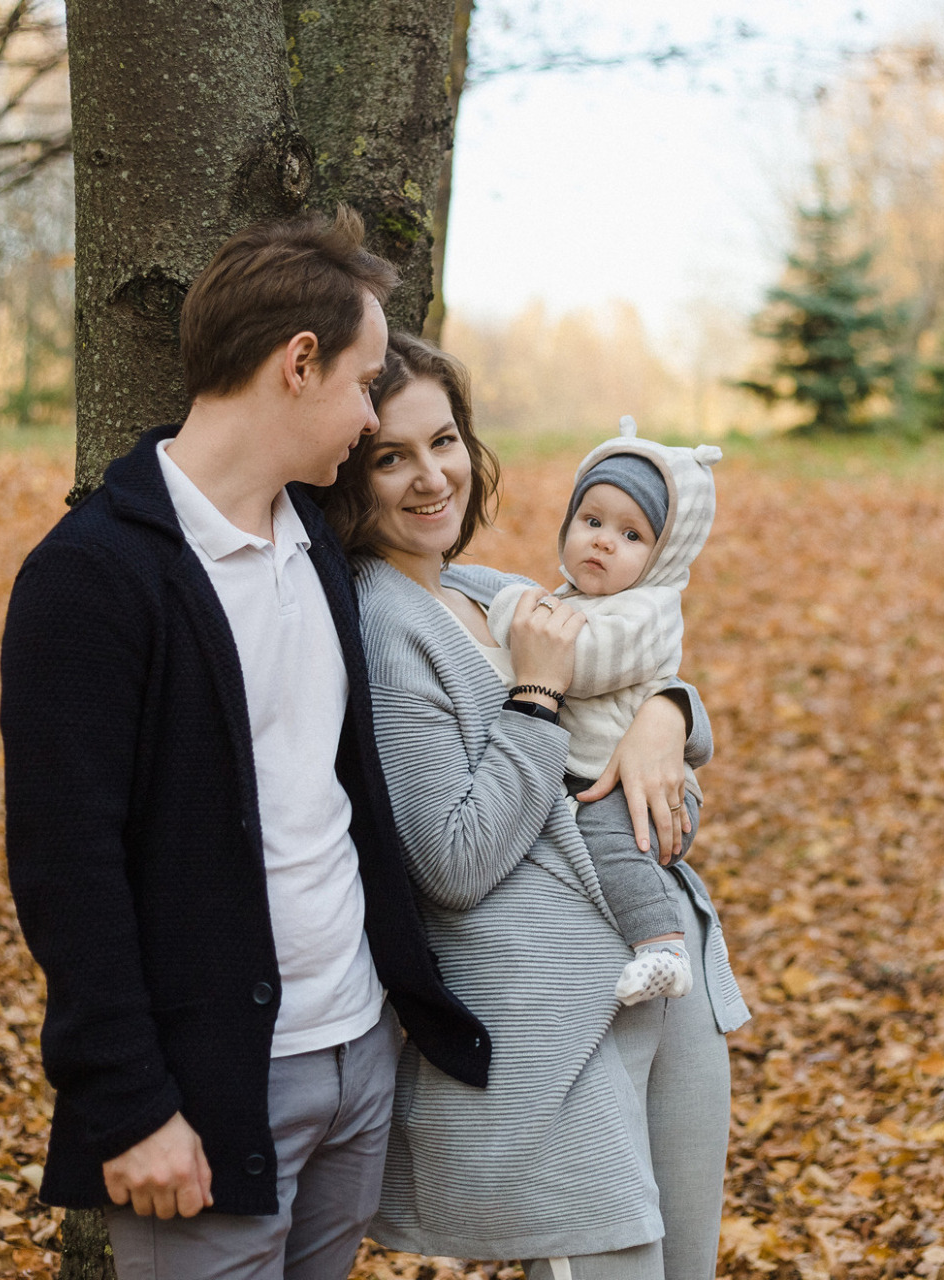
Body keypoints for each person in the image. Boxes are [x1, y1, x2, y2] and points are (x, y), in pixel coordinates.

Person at [0, 209, 488, 1280]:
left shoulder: (315, 537)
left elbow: (469, 602)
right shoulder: (91, 579)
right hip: (212, 1082)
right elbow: (63, 864)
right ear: (297, 363)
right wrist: (128, 1104)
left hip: (358, 1050)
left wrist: (660, 703)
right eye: (365, 385)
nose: (370, 419)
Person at [318, 332, 751, 1280]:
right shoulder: (387, 628)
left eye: (445, 441)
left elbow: (643, 697)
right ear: (350, 471)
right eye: (392, 456)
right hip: (552, 1024)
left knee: (690, 1267)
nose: (433, 477)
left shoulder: (493, 591)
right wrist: (536, 699)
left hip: (667, 976)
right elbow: (455, 861)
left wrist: (667, 722)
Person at [484, 416, 724, 1007]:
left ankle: (662, 948)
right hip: (600, 777)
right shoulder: (573, 599)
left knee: (608, 840)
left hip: (647, 794)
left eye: (631, 535)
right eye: (591, 522)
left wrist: (516, 610)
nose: (603, 541)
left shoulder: (649, 612)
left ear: (663, 556)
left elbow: (577, 663)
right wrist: (525, 606)